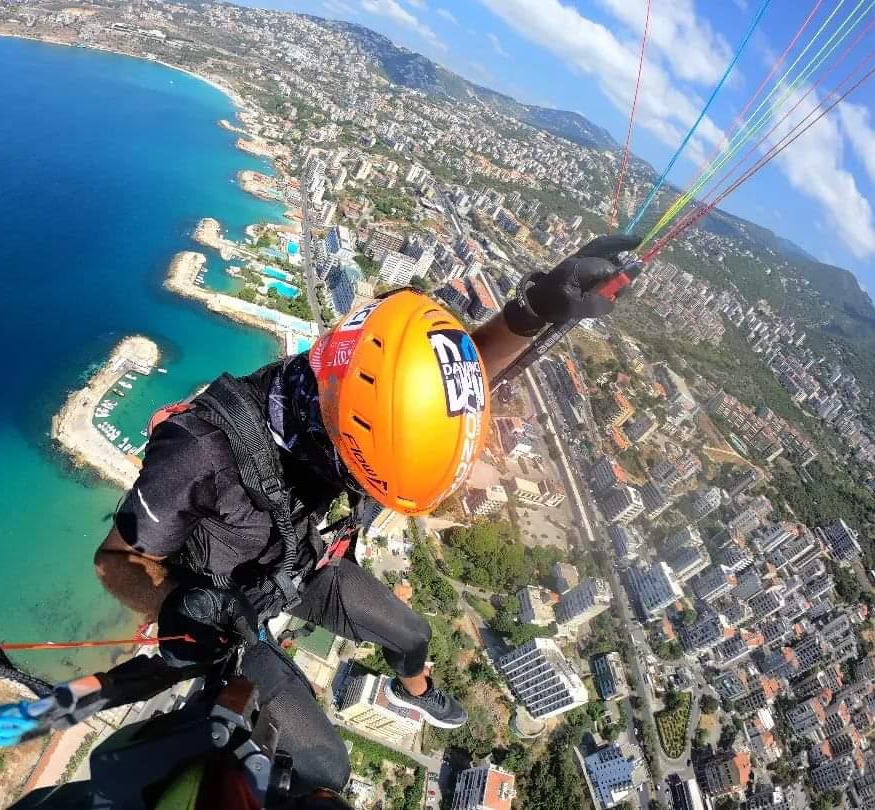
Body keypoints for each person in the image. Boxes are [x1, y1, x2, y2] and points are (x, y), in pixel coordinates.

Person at [94, 235, 640, 794]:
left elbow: (437, 394)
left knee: (412, 635)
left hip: (301, 562)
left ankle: (415, 690)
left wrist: (535, 310)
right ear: (341, 436)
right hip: (224, 607)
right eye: (362, 474)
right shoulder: (200, 450)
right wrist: (178, 605)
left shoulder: (354, 391)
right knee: (325, 770)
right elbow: (116, 560)